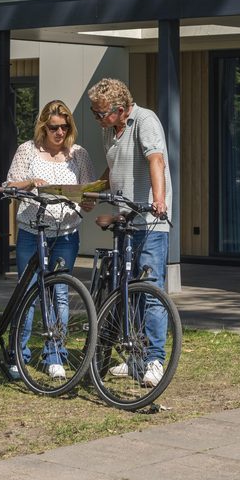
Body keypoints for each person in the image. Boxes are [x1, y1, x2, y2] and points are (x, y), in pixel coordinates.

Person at [87, 77, 171, 387]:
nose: (97, 119)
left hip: (149, 222)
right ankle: (135, 357)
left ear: (121, 109)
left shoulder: (145, 121)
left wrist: (159, 200)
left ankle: (154, 360)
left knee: (149, 290)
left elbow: (156, 160)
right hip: (125, 220)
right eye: (94, 112)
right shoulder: (110, 131)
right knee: (127, 293)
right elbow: (113, 168)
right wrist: (92, 191)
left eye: (101, 113)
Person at [4, 100, 94, 379]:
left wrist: (88, 200)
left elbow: (88, 191)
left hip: (66, 234)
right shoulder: (27, 151)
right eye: (54, 127)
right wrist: (30, 182)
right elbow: (9, 186)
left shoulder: (78, 155)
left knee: (60, 294)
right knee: (28, 293)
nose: (59, 132)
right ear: (44, 126)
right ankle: (20, 354)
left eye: (65, 127)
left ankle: (55, 354)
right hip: (33, 232)